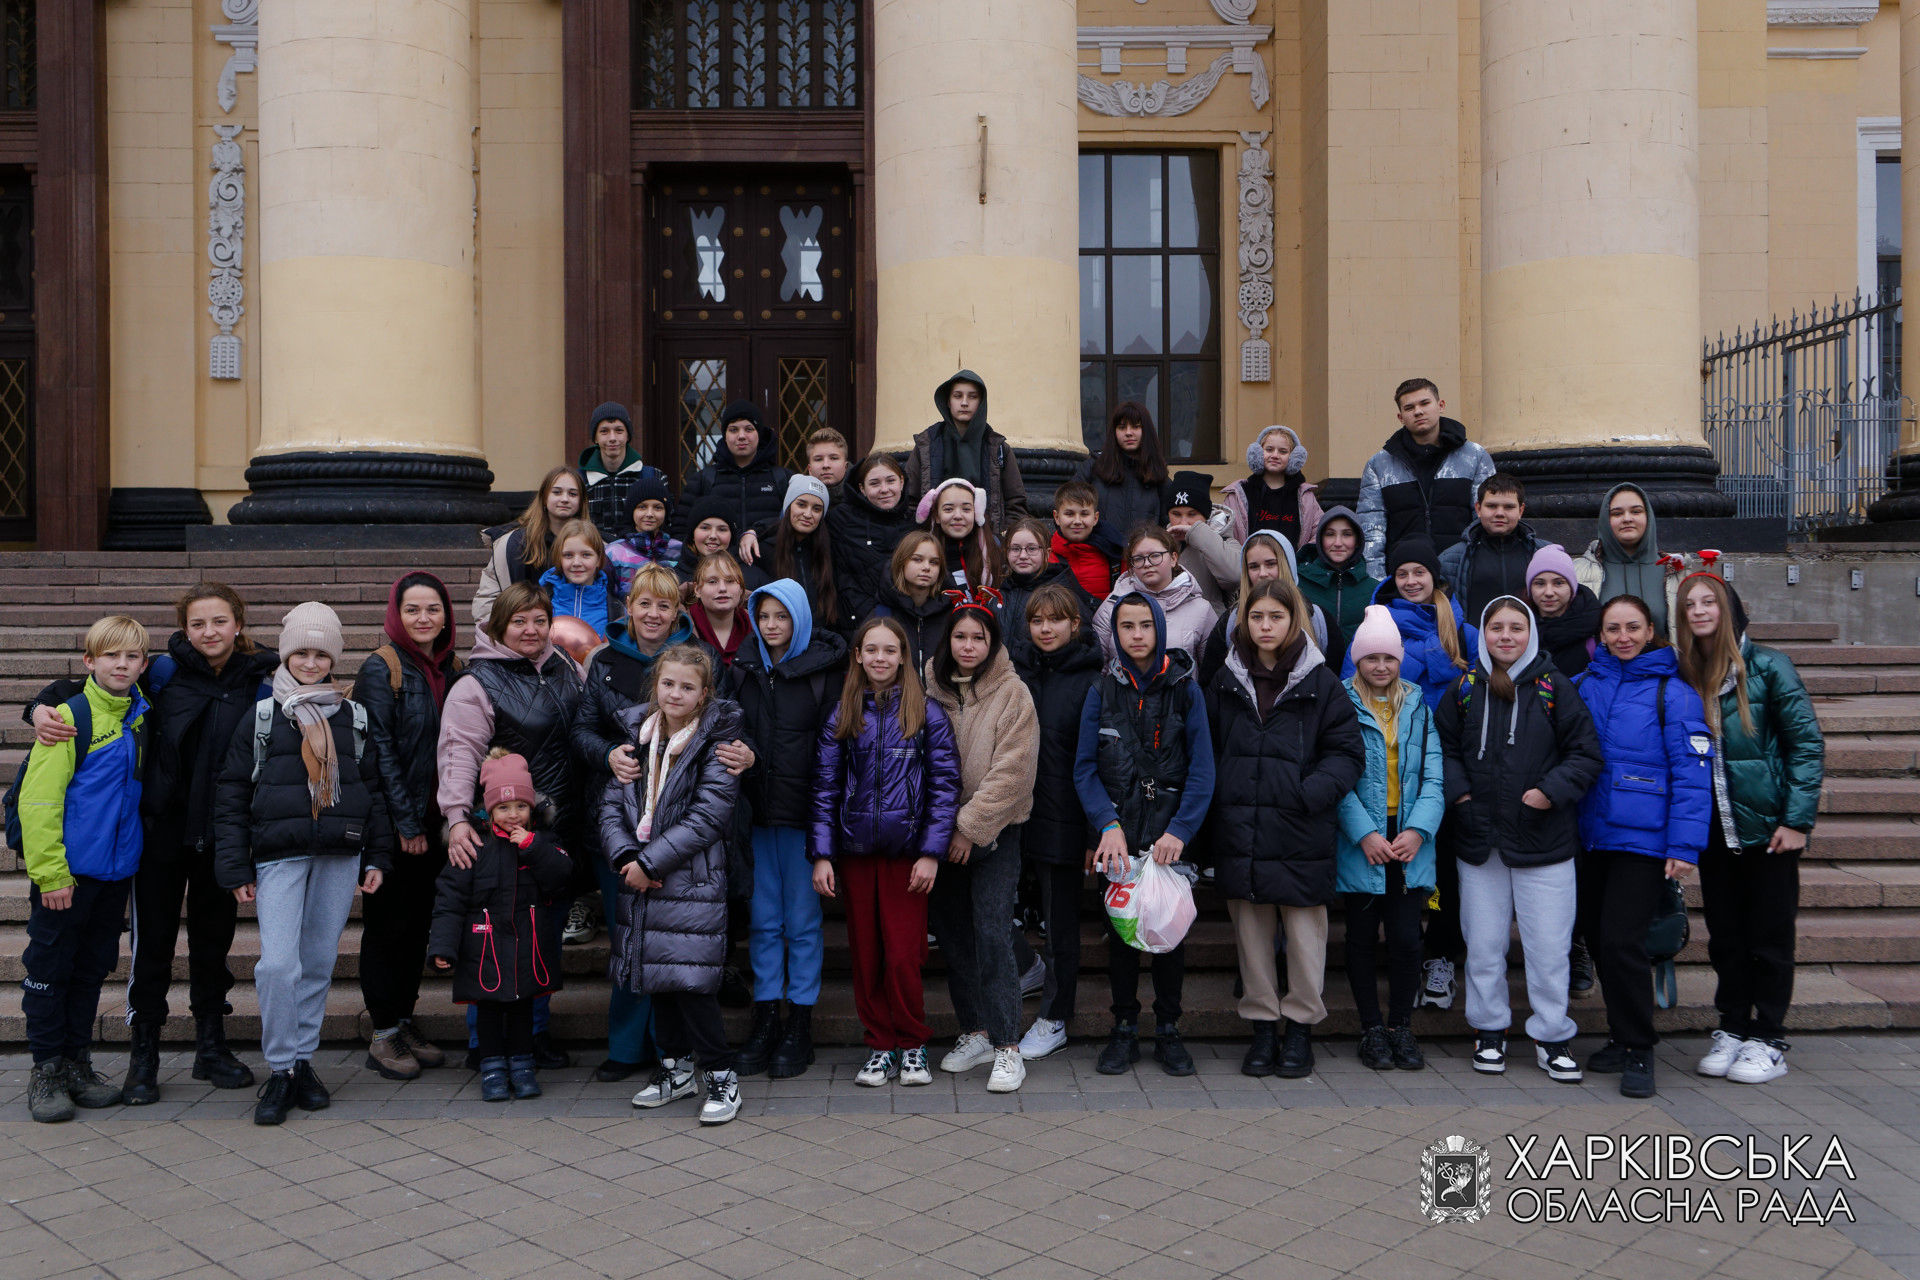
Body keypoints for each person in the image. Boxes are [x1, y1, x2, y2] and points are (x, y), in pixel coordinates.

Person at [25, 585, 274, 1105]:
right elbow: (84, 685)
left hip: (222, 838)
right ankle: (144, 1054)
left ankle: (211, 1046)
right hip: (157, 836)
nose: (209, 632)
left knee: (213, 947)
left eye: (220, 622)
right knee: (151, 950)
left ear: (238, 624)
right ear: (184, 628)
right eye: (198, 623)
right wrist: (37, 708)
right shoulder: (159, 673)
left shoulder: (258, 681)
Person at [213, 603, 393, 1125]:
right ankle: (279, 1067)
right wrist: (235, 866)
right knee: (277, 965)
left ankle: (302, 1061)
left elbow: (372, 790)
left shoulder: (352, 715)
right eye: (301, 653)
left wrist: (377, 854)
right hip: (279, 853)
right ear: (286, 654)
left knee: (316, 962)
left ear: (334, 658)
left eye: (321, 654)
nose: (311, 664)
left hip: (340, 852)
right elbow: (230, 790)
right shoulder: (266, 713)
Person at [1438, 598, 1603, 1081]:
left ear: (1530, 634)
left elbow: (1586, 754)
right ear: (1483, 634)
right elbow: (1443, 746)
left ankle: (1553, 1035)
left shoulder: (1555, 687)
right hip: (1480, 841)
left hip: (1544, 842)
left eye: (1515, 628)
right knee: (1484, 944)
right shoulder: (1465, 688)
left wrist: (1551, 792)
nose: (1505, 636)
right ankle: (1489, 1030)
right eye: (1496, 628)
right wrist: (1462, 796)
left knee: (1549, 947)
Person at [1207, 580, 1364, 1080]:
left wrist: (1308, 795)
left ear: (1293, 620)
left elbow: (1346, 754)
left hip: (1300, 833)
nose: (1266, 626)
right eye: (1257, 618)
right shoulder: (1226, 680)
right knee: (1251, 938)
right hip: (1243, 830)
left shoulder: (1321, 682)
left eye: (1276, 616)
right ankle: (1261, 1029)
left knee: (1303, 938)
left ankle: (1299, 1029)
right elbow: (1206, 750)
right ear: (1244, 623)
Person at [1675, 573, 1825, 1085]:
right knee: (1727, 938)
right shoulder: (1687, 673)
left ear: (1729, 607)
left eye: (1707, 601)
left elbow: (1805, 745)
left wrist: (1797, 820)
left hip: (1768, 831)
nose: (1698, 610)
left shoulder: (1768, 666)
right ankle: (1733, 1025)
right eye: (1689, 603)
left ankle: (1769, 1035)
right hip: (1716, 832)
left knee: (1769, 936)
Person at [439, 582, 585, 1073]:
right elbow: (459, 753)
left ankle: (533, 1035)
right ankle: (486, 1041)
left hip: (549, 835)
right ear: (498, 624)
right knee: (495, 940)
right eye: (519, 620)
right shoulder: (476, 682)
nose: (530, 629)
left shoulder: (564, 666)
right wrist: (457, 818)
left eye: (539, 620)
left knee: (539, 938)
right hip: (499, 840)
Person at [810, 616, 961, 1087]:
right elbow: (824, 788)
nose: (880, 658)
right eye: (871, 650)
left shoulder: (926, 713)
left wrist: (932, 851)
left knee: (902, 954)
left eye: (889, 650)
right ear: (858, 656)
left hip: (907, 856)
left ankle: (912, 1043)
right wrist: (822, 854)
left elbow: (944, 787)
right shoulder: (843, 713)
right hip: (856, 855)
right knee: (867, 953)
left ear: (903, 657)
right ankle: (879, 1045)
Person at [602, 645, 749, 1126]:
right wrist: (626, 857)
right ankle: (675, 1069)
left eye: (687, 687)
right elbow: (610, 806)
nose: (676, 693)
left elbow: (709, 816)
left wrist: (649, 860)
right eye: (668, 684)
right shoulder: (635, 737)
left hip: (691, 879)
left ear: (704, 694)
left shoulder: (719, 740)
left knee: (691, 982)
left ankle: (722, 1075)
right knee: (657, 978)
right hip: (640, 875)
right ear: (655, 686)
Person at [1575, 594, 1713, 1099]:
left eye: (1633, 627)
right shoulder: (1586, 684)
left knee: (1622, 941)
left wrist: (1685, 846)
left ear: (1651, 630)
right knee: (1597, 936)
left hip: (1644, 841)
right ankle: (1617, 1033)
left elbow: (1693, 776)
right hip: (1591, 837)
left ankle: (1639, 1047)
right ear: (1602, 635)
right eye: (1613, 629)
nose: (1623, 637)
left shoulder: (1673, 694)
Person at [1076, 592, 1216, 1077]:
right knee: (1122, 939)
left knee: (1168, 938)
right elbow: (1085, 770)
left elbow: (1203, 770)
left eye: (1145, 626)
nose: (1136, 635)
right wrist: (1106, 826)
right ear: (1115, 633)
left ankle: (1169, 1029)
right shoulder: (1102, 689)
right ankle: (1124, 1029)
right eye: (1127, 626)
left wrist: (1180, 829)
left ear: (1159, 629)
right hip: (1119, 836)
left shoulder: (1185, 687)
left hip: (1168, 839)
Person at [18, 616, 150, 1123]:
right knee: (49, 971)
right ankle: (45, 1069)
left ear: (143, 664)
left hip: (113, 875)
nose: (122, 664)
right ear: (89, 662)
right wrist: (51, 875)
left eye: (132, 656)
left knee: (91, 971)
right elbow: (40, 801)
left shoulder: (139, 712)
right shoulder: (69, 716)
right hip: (66, 877)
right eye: (111, 655)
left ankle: (76, 1062)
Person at [924, 597, 1041, 1094]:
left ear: (992, 644)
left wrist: (968, 828)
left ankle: (1007, 1045)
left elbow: (1014, 772)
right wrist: (941, 829)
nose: (968, 646)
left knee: (993, 934)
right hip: (936, 833)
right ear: (948, 641)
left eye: (979, 638)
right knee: (953, 935)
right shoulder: (928, 686)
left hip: (995, 832)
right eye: (960, 637)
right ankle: (974, 1031)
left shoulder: (1013, 692)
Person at [731, 581, 847, 1080]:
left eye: (782, 616)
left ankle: (799, 1019)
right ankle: (764, 1015)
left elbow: (833, 753)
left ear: (799, 617)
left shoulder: (824, 674)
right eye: (764, 616)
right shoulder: (742, 670)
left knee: (801, 923)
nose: (772, 625)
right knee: (763, 922)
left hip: (804, 821)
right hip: (757, 816)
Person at [355, 572, 465, 1082]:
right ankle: (381, 1031)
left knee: (418, 924)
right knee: (387, 928)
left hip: (438, 820)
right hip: (395, 822)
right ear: (397, 615)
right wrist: (404, 822)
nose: (424, 619)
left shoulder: (454, 668)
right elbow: (378, 751)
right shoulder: (383, 668)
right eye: (414, 610)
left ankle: (402, 1018)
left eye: (434, 609)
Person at [427, 750, 572, 1102]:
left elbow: (562, 877)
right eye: (504, 808)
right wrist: (443, 948)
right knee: (488, 1010)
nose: (513, 815)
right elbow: (449, 901)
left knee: (523, 1008)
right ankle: (491, 1067)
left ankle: (522, 1065)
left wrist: (533, 847)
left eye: (521, 807)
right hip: (484, 948)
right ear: (489, 810)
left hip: (527, 944)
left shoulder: (545, 842)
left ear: (532, 808)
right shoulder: (473, 846)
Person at [1336, 606, 1444, 1073]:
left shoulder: (1418, 705)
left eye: (1389, 658)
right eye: (1370, 658)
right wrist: (1363, 833)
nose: (1380, 667)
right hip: (1363, 839)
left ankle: (1401, 1026)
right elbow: (1334, 776)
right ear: (1357, 661)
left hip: (1407, 838)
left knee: (1405, 936)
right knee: (1361, 936)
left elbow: (1435, 776)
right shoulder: (1340, 703)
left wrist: (1418, 830)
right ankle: (1371, 1029)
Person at [1012, 585, 1103, 1061]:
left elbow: (1098, 762)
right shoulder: (1014, 669)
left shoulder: (1092, 678)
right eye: (1037, 620)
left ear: (1075, 624)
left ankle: (1055, 1017)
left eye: (1056, 620)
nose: (1045, 629)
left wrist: (1095, 832)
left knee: (1060, 925)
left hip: (1065, 816)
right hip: (1013, 814)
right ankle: (1028, 968)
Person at [1356, 378, 1495, 578]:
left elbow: (1484, 520)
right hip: (1405, 578)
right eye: (1409, 407)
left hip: (1461, 573)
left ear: (1441, 406)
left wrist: (1482, 570)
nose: (1418, 411)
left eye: (1425, 403)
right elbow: (1371, 531)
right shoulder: (1379, 465)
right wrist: (1377, 583)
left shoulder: (1474, 456)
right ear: (1400, 416)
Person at [1344, 537, 1475, 709]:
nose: (1411, 581)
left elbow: (1480, 694)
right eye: (1402, 574)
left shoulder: (1465, 634)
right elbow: (1351, 691)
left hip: (1452, 733)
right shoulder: (1372, 630)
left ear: (1433, 576)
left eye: (1419, 572)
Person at [1197, 530, 1331, 686]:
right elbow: (1210, 686)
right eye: (1254, 567)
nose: (1262, 573)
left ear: (1286, 564)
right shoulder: (1230, 621)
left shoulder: (1317, 619)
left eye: (1271, 564)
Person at [901, 369, 1028, 530]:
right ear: (948, 401)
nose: (964, 403)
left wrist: (1001, 542)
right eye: (958, 396)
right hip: (936, 544)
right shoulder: (926, 445)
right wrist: (920, 539)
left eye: (972, 397)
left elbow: (1016, 504)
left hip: (985, 544)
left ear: (981, 402)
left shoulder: (997, 448)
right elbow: (909, 501)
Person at [475, 465, 586, 630]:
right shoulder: (511, 544)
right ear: (543, 498)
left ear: (581, 501)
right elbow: (488, 596)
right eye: (556, 492)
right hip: (521, 638)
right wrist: (498, 634)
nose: (565, 499)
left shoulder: (597, 546)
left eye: (572, 493)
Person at [1092, 526, 1219, 664]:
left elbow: (1211, 672)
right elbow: (1098, 665)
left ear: (1173, 558)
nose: (1147, 564)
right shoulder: (1112, 606)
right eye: (1139, 558)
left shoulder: (1201, 609)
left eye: (1155, 556)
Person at [674, 400, 793, 542]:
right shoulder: (703, 480)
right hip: (717, 563)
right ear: (725, 435)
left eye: (749, 429)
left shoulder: (783, 479)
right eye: (733, 430)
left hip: (769, 562)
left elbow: (796, 525)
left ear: (759, 434)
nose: (741, 436)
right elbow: (680, 531)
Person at [1576, 482, 1682, 638]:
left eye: (1636, 511)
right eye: (1617, 513)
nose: (1627, 519)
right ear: (1605, 520)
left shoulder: (1676, 571)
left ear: (1648, 516)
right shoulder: (1577, 572)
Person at [1437, 475, 1548, 623]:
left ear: (1521, 510)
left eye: (1509, 507)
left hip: (1534, 645)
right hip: (1472, 645)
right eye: (1492, 506)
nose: (1500, 513)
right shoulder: (1451, 560)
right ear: (1478, 508)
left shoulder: (1544, 554)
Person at [746, 476, 849, 634]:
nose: (808, 514)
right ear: (789, 506)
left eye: (817, 509)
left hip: (822, 644)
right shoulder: (763, 550)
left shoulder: (828, 551)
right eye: (801, 504)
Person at [998, 517, 1095, 667]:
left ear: (1047, 553)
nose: (1023, 556)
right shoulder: (1000, 594)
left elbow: (1083, 645)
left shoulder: (1063, 593)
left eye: (1032, 549)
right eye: (1015, 549)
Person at [829, 452, 916, 620]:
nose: (884, 490)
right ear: (862, 488)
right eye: (874, 483)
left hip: (907, 621)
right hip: (856, 624)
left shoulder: (916, 522)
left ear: (902, 482)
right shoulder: (840, 521)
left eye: (891, 481)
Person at [1074, 401, 1169, 538]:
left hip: (1143, 556)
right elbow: (1067, 508)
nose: (1128, 433)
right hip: (1099, 554)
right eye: (1122, 427)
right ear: (1114, 432)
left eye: (1136, 427)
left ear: (1145, 431)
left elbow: (1169, 525)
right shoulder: (1093, 467)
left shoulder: (1158, 474)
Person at [1219, 425, 1323, 548]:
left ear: (1294, 458)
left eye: (1283, 451)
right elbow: (1224, 537)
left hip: (1293, 567)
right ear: (1257, 453)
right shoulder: (1237, 495)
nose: (1275, 455)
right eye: (1269, 449)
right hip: (1247, 566)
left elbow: (1320, 533)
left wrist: (1301, 562)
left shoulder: (1305, 497)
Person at [868, 532, 957, 675]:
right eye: (917, 560)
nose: (926, 567)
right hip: (897, 695)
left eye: (934, 562)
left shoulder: (953, 615)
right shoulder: (882, 615)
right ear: (901, 563)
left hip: (944, 695)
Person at [1297, 505, 1378, 660]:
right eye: (1330, 534)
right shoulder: (1300, 585)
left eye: (1347, 534)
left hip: (1357, 677)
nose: (1338, 543)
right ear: (1320, 539)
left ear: (1357, 540)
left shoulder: (1373, 589)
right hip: (1313, 675)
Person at [579, 402, 666, 541]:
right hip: (593, 556)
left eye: (619, 430)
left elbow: (666, 525)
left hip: (642, 557)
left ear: (628, 436)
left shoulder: (653, 477)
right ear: (595, 438)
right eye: (604, 431)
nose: (612, 438)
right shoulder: (579, 480)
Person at [1161, 471, 1241, 612]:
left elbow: (1235, 576)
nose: (1183, 522)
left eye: (1192, 514)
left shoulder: (1225, 540)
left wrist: (1198, 533)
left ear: (1206, 515)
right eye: (1176, 514)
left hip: (1210, 628)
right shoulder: (1162, 543)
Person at [917, 476, 1003, 592]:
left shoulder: (995, 547)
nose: (958, 516)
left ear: (976, 513)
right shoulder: (921, 552)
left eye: (966, 509)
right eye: (948, 509)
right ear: (937, 516)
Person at [605, 473, 683, 600]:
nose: (650, 514)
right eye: (642, 507)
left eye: (658, 508)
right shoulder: (614, 552)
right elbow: (608, 598)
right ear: (632, 511)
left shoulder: (678, 550)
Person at [1527, 544, 1599, 679]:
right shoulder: (1519, 631)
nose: (1549, 592)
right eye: (1540, 583)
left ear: (1572, 587)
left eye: (1558, 583)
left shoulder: (1593, 633)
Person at [539, 519, 615, 641]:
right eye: (568, 555)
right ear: (559, 559)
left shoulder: (615, 609)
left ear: (599, 560)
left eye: (586, 555)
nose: (577, 563)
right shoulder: (541, 600)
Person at [1049, 481, 1119, 599]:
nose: (1077, 521)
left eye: (1084, 514)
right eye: (1069, 514)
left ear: (1095, 518)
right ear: (1057, 517)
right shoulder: (1046, 559)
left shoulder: (1115, 554)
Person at [686, 552, 751, 669]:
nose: (722, 588)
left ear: (741, 589)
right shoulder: (682, 628)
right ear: (697, 589)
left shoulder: (756, 628)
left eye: (730, 581)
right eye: (712, 581)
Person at [673, 495, 743, 586]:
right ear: (693, 534)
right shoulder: (672, 579)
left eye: (722, 529)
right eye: (705, 528)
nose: (713, 535)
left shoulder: (751, 577)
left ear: (732, 536)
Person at [805, 426, 851, 504]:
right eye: (818, 459)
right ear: (810, 469)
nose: (826, 465)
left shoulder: (863, 498)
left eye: (833, 458)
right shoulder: (798, 501)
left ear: (845, 466)